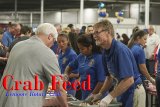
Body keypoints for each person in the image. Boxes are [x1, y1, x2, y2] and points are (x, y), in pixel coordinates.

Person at [0, 23, 68, 107]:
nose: (53, 44)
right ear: (50, 36)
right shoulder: (47, 52)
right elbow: (58, 87)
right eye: (54, 41)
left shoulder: (17, 46)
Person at [92, 20, 143, 107]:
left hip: (133, 90)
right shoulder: (105, 51)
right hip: (122, 89)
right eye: (94, 33)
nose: (94, 36)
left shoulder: (120, 50)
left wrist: (109, 97)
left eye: (97, 32)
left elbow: (129, 80)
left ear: (108, 32)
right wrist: (100, 94)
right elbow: (109, 78)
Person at [64, 35, 106, 100]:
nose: (80, 51)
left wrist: (92, 96)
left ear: (90, 47)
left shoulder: (99, 58)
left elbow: (102, 82)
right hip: (85, 93)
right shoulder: (81, 56)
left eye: (82, 49)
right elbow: (69, 66)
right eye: (79, 49)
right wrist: (66, 74)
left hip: (97, 96)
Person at [128, 30, 156, 107]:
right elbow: (143, 69)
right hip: (138, 83)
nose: (146, 41)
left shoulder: (131, 48)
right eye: (144, 39)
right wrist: (151, 79)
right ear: (138, 38)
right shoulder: (139, 50)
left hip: (131, 82)